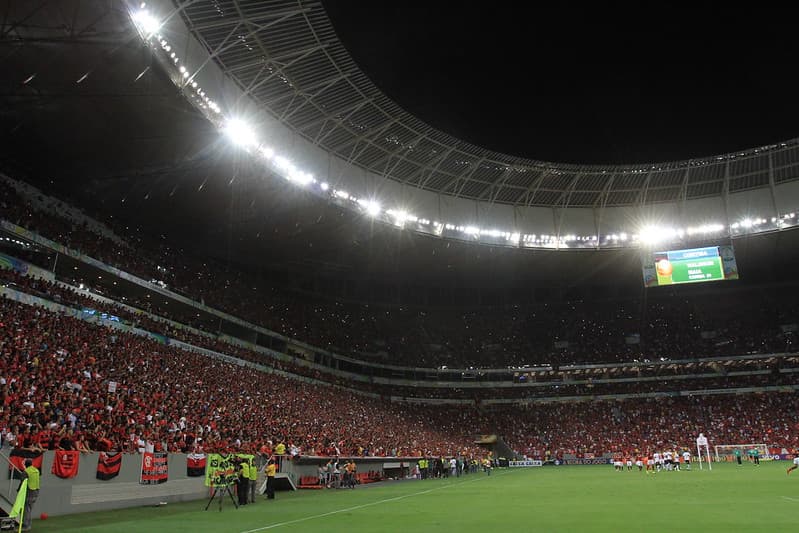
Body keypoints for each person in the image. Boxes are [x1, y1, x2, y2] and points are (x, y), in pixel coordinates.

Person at [20, 458, 40, 532]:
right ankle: (27, 524)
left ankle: (26, 526)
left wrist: (18, 490)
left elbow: (22, 482)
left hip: (29, 492)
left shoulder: (26, 472)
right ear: (31, 464)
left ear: (25, 465)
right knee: (29, 509)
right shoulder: (36, 470)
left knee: (27, 510)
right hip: (36, 491)